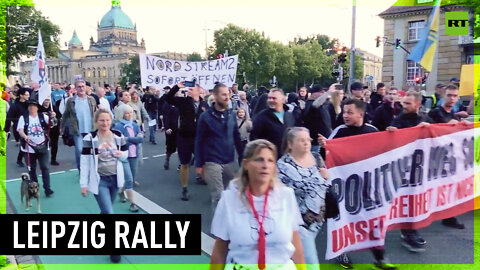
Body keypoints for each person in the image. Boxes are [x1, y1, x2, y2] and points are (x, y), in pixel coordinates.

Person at [320, 98, 395, 270]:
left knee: (373, 221)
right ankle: (341, 253)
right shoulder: (339, 131)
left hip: (368, 187)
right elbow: (328, 157)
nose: (345, 115)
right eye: (344, 112)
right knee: (343, 221)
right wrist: (325, 146)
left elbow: (384, 153)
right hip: (344, 189)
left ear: (360, 114)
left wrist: (393, 135)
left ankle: (380, 258)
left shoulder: (372, 131)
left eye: (349, 112)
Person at [210, 139, 306, 270]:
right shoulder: (229, 199)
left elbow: (295, 243)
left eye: (270, 161)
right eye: (259, 159)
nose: (265, 165)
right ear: (246, 164)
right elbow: (220, 250)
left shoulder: (286, 196)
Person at [386, 91, 432, 253]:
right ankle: (408, 232)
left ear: (417, 105)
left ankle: (411, 230)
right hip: (404, 169)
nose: (403, 106)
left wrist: (431, 128)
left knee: (416, 199)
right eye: (403, 103)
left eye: (408, 103)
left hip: (421, 168)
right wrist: (391, 133)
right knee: (406, 199)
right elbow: (391, 140)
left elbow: (438, 134)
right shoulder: (399, 119)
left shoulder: (425, 119)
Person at [277, 127, 329, 269]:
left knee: (296, 258)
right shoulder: (283, 166)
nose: (306, 143)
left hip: (317, 221)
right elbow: (284, 194)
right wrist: (323, 178)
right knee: (311, 263)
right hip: (299, 224)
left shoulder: (316, 157)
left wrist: (326, 178)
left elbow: (326, 183)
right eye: (301, 140)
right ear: (290, 144)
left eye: (308, 140)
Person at [80, 108, 127, 263]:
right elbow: (85, 161)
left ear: (111, 120)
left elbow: (125, 154)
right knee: (109, 212)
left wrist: (120, 154)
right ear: (96, 121)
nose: (105, 123)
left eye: (107, 120)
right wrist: (83, 184)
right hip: (100, 181)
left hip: (115, 179)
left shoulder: (118, 135)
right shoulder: (90, 138)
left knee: (105, 212)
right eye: (101, 120)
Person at [195, 83, 243, 209]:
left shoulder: (232, 114)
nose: (227, 97)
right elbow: (199, 140)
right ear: (215, 96)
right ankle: (218, 227)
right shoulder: (205, 117)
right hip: (212, 161)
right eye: (223, 94)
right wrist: (199, 164)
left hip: (229, 160)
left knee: (230, 194)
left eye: (228, 94)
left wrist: (243, 158)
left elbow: (237, 137)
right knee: (219, 196)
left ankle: (228, 225)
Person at [428, 85, 468, 230]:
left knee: (452, 186)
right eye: (449, 95)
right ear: (444, 96)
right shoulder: (434, 113)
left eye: (454, 96)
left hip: (450, 157)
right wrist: (446, 126)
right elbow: (428, 132)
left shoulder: (454, 114)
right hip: (436, 158)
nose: (452, 98)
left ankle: (449, 216)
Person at [166, 82, 209, 200]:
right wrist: (177, 87)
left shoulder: (205, 104)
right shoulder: (183, 102)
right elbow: (168, 98)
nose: (189, 90)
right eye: (188, 88)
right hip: (184, 137)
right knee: (185, 163)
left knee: (203, 161)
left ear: (199, 90)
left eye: (192, 88)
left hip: (199, 138)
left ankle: (201, 177)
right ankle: (184, 188)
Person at [17, 99, 54, 197]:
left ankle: (47, 189)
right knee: (32, 170)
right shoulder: (23, 118)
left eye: (33, 106)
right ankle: (34, 190)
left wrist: (53, 117)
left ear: (37, 107)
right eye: (29, 106)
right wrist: (25, 136)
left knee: (45, 167)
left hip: (43, 146)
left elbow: (53, 124)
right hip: (29, 148)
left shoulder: (42, 116)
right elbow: (20, 130)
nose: (31, 107)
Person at [250, 88, 297, 158]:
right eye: (269, 98)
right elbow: (254, 138)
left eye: (274, 98)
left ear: (283, 100)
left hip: (288, 158)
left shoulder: (290, 115)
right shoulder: (261, 117)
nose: (270, 100)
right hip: (270, 158)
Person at [61, 80, 97, 171]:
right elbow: (65, 115)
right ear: (75, 88)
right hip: (78, 130)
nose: (81, 88)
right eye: (79, 87)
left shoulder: (91, 99)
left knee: (91, 151)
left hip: (91, 129)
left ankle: (92, 170)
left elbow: (95, 113)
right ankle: (81, 170)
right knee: (80, 151)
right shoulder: (71, 101)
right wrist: (62, 127)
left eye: (83, 86)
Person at [113, 104, 143, 212]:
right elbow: (120, 141)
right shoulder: (118, 126)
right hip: (123, 156)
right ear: (122, 114)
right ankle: (132, 204)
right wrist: (134, 139)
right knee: (129, 179)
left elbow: (141, 139)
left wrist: (129, 139)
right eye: (127, 113)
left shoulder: (134, 125)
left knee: (132, 177)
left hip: (134, 154)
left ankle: (121, 191)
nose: (129, 115)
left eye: (131, 112)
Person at [302, 85, 332, 156]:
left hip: (324, 142)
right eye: (321, 92)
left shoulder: (323, 106)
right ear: (313, 93)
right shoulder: (310, 105)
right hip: (316, 144)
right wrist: (329, 92)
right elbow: (314, 106)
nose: (323, 94)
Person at [5, 88, 29, 167]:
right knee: (24, 143)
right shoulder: (15, 105)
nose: (28, 96)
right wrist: (7, 129)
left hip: (29, 125)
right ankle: (20, 160)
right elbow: (9, 117)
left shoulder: (28, 104)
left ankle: (30, 158)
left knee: (30, 143)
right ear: (21, 95)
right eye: (26, 95)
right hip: (19, 127)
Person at [40, 98, 61, 165]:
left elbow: (60, 116)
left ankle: (53, 159)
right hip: (43, 129)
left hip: (54, 128)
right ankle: (42, 159)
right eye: (45, 100)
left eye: (48, 100)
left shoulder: (53, 107)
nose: (47, 102)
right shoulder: (39, 108)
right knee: (43, 144)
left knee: (54, 144)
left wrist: (55, 115)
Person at [162, 91, 179, 170]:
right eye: (177, 92)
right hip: (171, 129)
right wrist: (167, 127)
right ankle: (167, 159)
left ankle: (181, 164)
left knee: (182, 147)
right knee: (170, 147)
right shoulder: (167, 103)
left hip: (181, 129)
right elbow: (166, 116)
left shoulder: (182, 102)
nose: (178, 93)